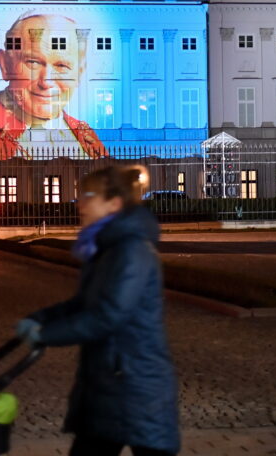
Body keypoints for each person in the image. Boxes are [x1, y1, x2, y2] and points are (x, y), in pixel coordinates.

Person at [15, 165, 180, 456]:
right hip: (112, 380)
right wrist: (40, 318)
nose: (80, 202)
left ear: (113, 204)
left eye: (89, 195)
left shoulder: (130, 251)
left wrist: (46, 334)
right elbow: (83, 303)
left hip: (133, 384)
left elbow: (109, 315)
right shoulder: (107, 249)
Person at [0, 13, 107, 161]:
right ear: (5, 65)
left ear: (79, 73)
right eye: (33, 62)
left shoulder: (85, 135)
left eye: (62, 66)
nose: (46, 81)